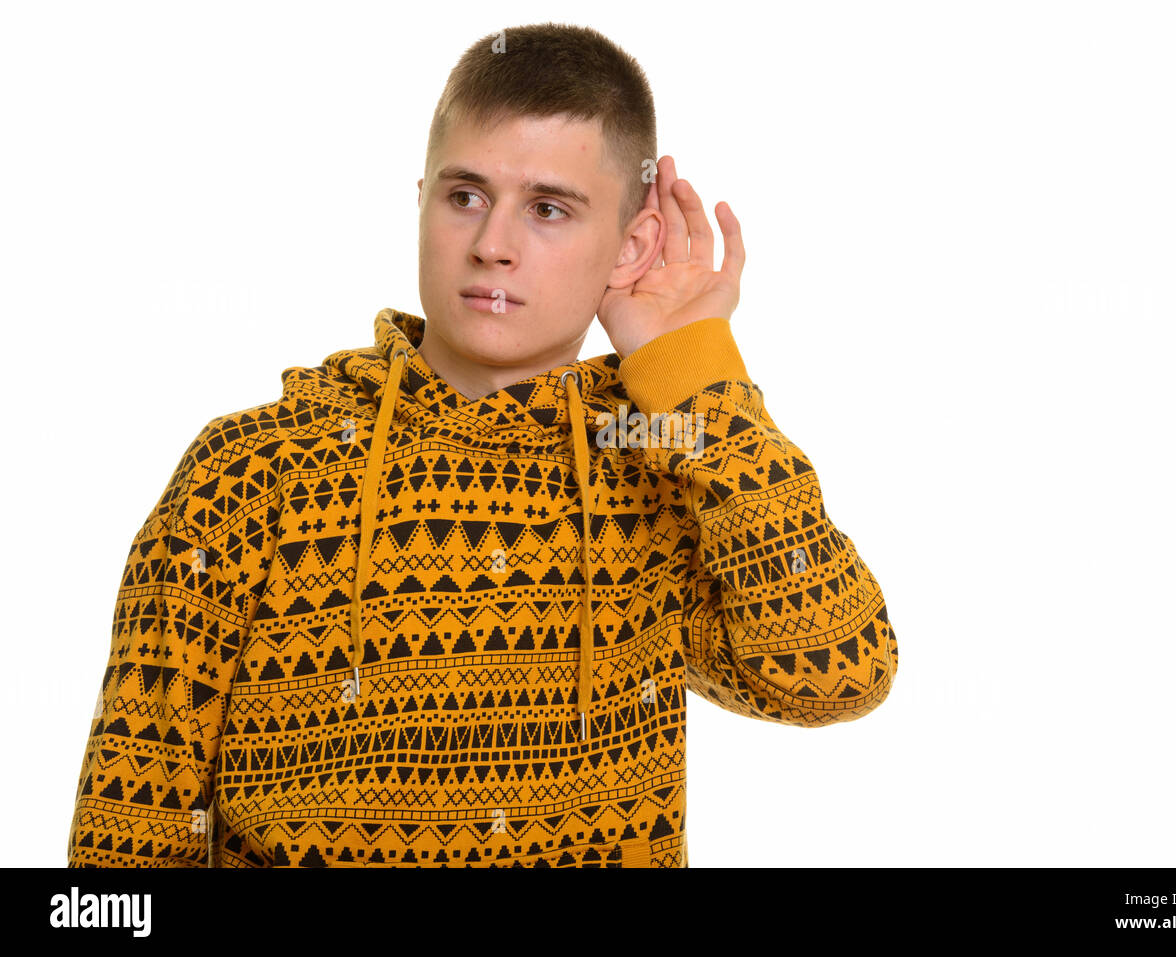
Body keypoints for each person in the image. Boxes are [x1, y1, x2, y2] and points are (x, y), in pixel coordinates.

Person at [67, 21, 898, 869]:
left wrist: (694, 378)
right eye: (465, 196)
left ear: (632, 246)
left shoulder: (654, 468)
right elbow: (122, 846)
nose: (491, 244)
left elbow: (835, 672)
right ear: (423, 200)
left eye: (547, 209)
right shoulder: (247, 473)